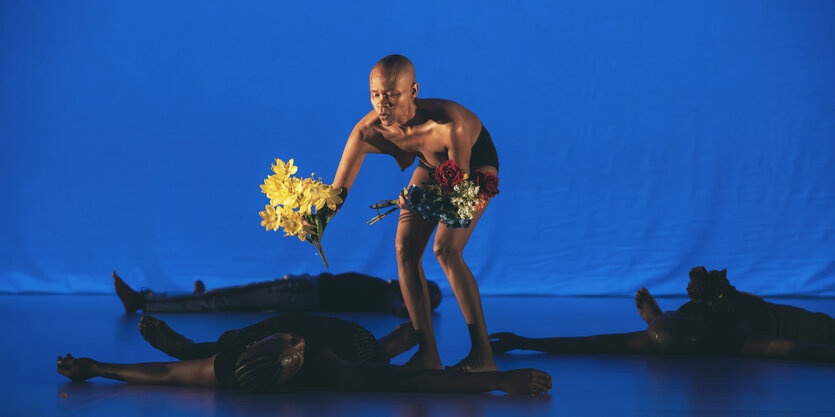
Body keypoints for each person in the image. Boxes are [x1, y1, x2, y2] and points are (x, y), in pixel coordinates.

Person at [322, 54, 500, 372]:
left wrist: (418, 200)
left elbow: (455, 186)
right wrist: (317, 218)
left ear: (413, 90)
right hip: (432, 166)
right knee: (405, 250)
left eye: (392, 94)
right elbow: (339, 189)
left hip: (471, 170)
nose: (382, 104)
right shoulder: (367, 131)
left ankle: (483, 356)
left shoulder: (448, 125)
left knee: (446, 250)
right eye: (376, 94)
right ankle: (428, 355)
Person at [56, 313, 552, 395]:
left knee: (215, 348)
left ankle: (193, 341)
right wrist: (499, 381)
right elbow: (414, 385)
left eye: (285, 345)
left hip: (235, 343)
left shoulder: (232, 362)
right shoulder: (326, 367)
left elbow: (164, 375)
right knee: (379, 360)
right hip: (351, 342)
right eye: (294, 351)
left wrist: (97, 368)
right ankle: (394, 342)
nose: (296, 343)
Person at [489, 267, 835, 363]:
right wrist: (524, 341)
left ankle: (653, 315)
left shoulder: (732, 334)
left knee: (824, 328)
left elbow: (795, 348)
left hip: (773, 317)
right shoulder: (723, 342)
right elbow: (595, 343)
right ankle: (653, 316)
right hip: (762, 321)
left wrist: (527, 341)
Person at [112, 271, 441, 316]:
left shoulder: (390, 300)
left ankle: (144, 302)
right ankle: (155, 298)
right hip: (300, 286)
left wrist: (419, 302)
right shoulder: (385, 288)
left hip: (299, 295)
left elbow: (406, 310)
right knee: (227, 296)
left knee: (223, 302)